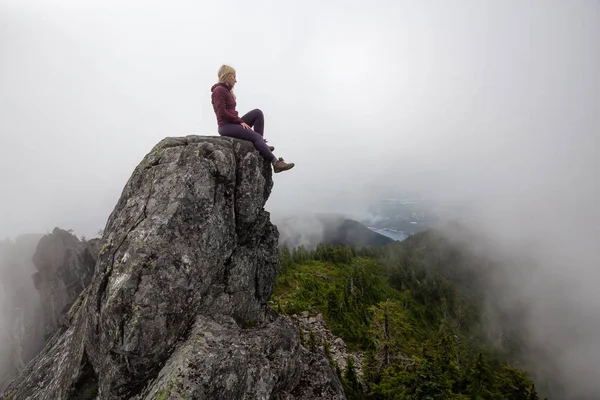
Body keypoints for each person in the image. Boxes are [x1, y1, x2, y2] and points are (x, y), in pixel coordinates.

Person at [211, 64, 295, 173]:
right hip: (226, 126)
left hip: (233, 123)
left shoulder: (226, 91)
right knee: (255, 137)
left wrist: (239, 121)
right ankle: (276, 163)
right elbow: (221, 112)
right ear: (227, 76)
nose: (236, 80)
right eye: (234, 77)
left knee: (257, 113)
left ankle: (261, 144)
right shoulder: (219, 90)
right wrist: (240, 121)